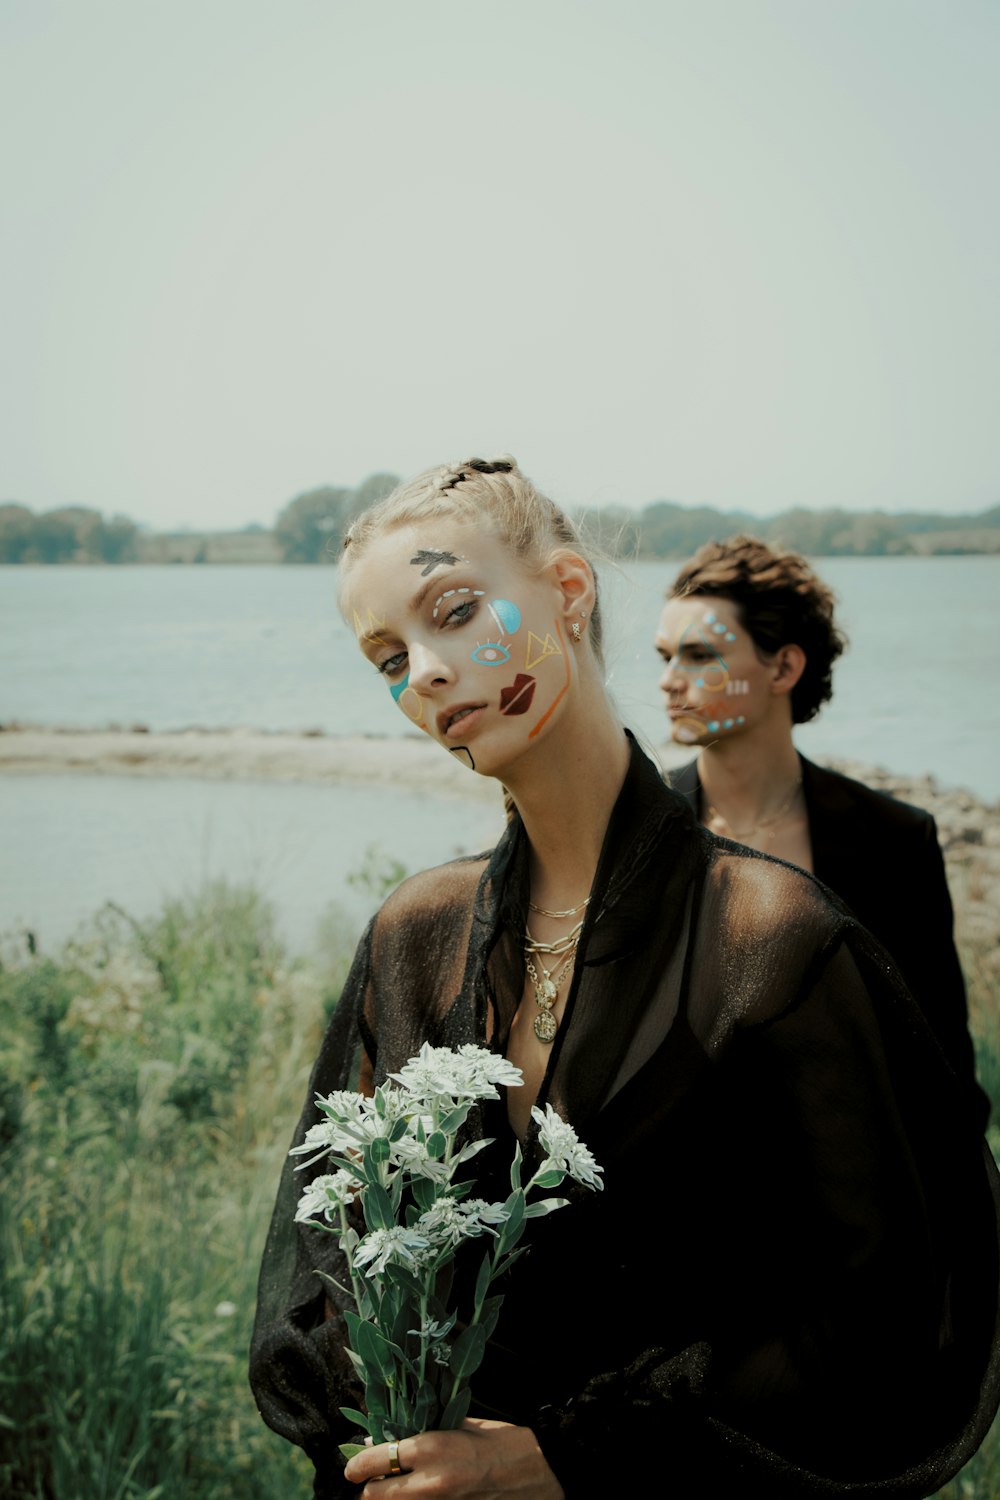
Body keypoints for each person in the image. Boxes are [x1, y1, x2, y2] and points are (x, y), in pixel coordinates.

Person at [251, 459, 999, 1499]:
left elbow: (885, 1312)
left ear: (566, 590)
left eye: (454, 611)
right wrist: (396, 1411)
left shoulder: (770, 942)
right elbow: (329, 1263)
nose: (422, 670)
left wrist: (565, 1456)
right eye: (387, 656)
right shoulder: (417, 935)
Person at [655, 535, 988, 1127]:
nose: (670, 681)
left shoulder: (893, 839)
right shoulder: (645, 827)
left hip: (851, 1181)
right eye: (665, 657)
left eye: (701, 655)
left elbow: (940, 1061)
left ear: (784, 665)